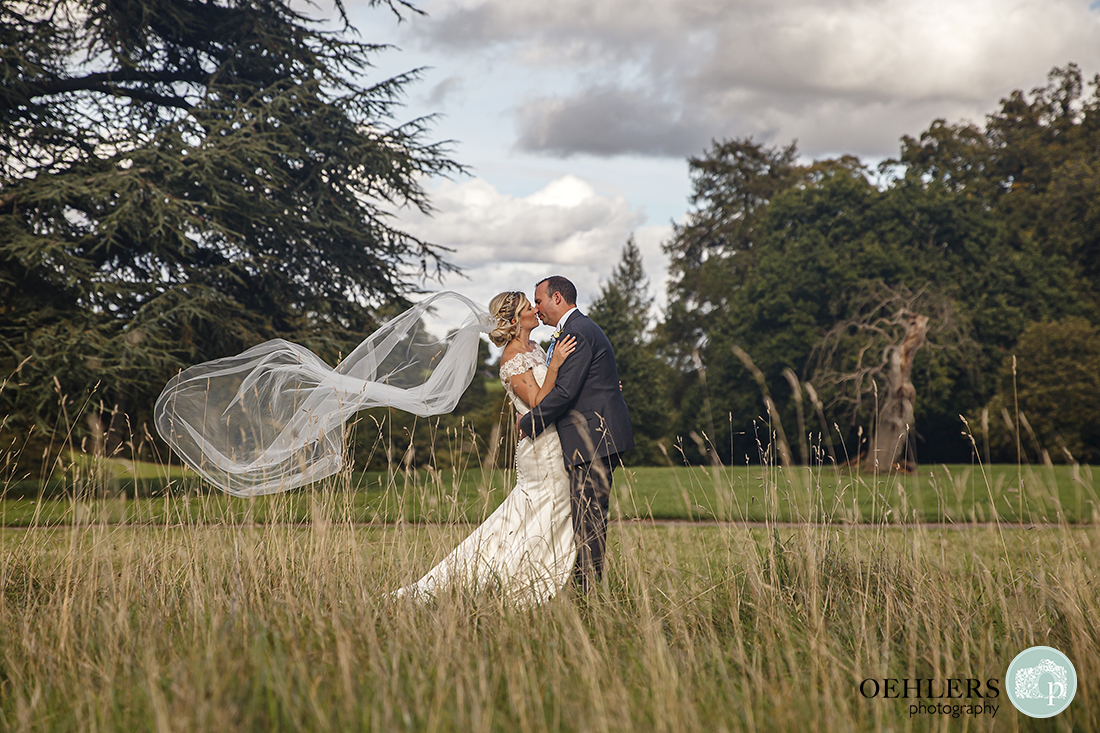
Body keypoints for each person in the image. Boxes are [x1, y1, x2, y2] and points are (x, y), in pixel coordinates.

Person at [395, 290, 579, 604]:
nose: (536, 309)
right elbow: (537, 402)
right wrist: (557, 364)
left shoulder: (535, 348)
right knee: (544, 508)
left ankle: (545, 575)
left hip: (554, 440)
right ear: (514, 319)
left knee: (547, 511)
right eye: (528, 306)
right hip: (540, 449)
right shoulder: (510, 358)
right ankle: (518, 579)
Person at [518, 276, 634, 592]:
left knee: (589, 519)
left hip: (594, 439)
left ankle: (588, 593)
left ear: (557, 298)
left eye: (539, 300)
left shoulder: (578, 333)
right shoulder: (578, 330)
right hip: (593, 437)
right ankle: (583, 589)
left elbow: (566, 392)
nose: (537, 308)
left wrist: (528, 423)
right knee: (586, 517)